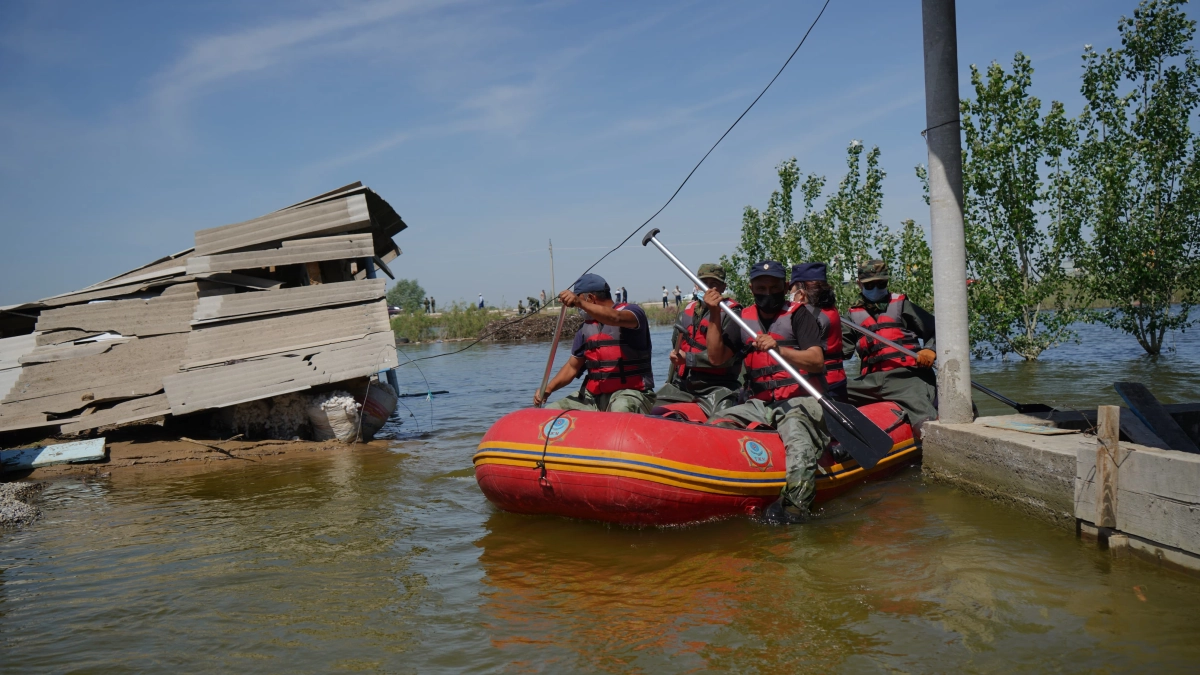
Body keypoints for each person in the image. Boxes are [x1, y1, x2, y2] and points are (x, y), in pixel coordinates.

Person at [701, 260, 829, 523]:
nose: (767, 293)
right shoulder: (742, 319)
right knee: (717, 423)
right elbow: (716, 357)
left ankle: (796, 508)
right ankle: (727, 490)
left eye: (774, 288)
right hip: (760, 403)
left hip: (800, 401)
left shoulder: (799, 314)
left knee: (797, 437)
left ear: (784, 287)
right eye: (761, 288)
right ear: (751, 288)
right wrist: (714, 314)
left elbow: (817, 360)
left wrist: (779, 350)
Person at [533, 273, 656, 413]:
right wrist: (548, 389)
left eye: (578, 303)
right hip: (594, 398)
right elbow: (572, 367)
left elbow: (615, 318)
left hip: (632, 394)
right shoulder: (585, 329)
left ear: (590, 298)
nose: (579, 309)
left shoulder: (632, 312)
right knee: (551, 411)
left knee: (621, 407)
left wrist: (580, 303)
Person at [841, 260, 938, 431]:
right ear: (859, 284)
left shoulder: (902, 305)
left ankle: (931, 439)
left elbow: (936, 329)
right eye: (870, 285)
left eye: (881, 283)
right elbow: (837, 351)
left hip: (907, 377)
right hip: (870, 383)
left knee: (923, 414)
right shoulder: (851, 317)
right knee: (831, 392)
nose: (876, 288)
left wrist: (930, 349)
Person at [655, 263, 742, 416]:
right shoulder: (685, 313)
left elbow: (727, 359)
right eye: (703, 283)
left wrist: (688, 359)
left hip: (718, 387)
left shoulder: (733, 315)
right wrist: (670, 379)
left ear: (723, 287)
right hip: (683, 386)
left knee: (724, 419)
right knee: (651, 409)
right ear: (696, 285)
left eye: (714, 284)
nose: (708, 289)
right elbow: (677, 353)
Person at [791, 262, 847, 403]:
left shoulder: (807, 315)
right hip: (838, 380)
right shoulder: (831, 310)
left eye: (791, 288)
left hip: (822, 386)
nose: (788, 293)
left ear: (801, 293)